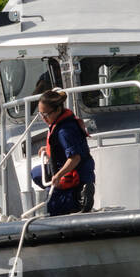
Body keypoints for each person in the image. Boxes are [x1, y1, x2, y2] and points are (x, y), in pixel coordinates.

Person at [35, 88, 95, 216]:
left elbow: (75, 158)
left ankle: (78, 197)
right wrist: (48, 149)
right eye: (41, 115)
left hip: (76, 175)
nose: (44, 119)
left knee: (51, 207)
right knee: (36, 173)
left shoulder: (65, 131)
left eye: (46, 115)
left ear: (57, 110)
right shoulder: (59, 123)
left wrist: (58, 175)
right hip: (62, 169)